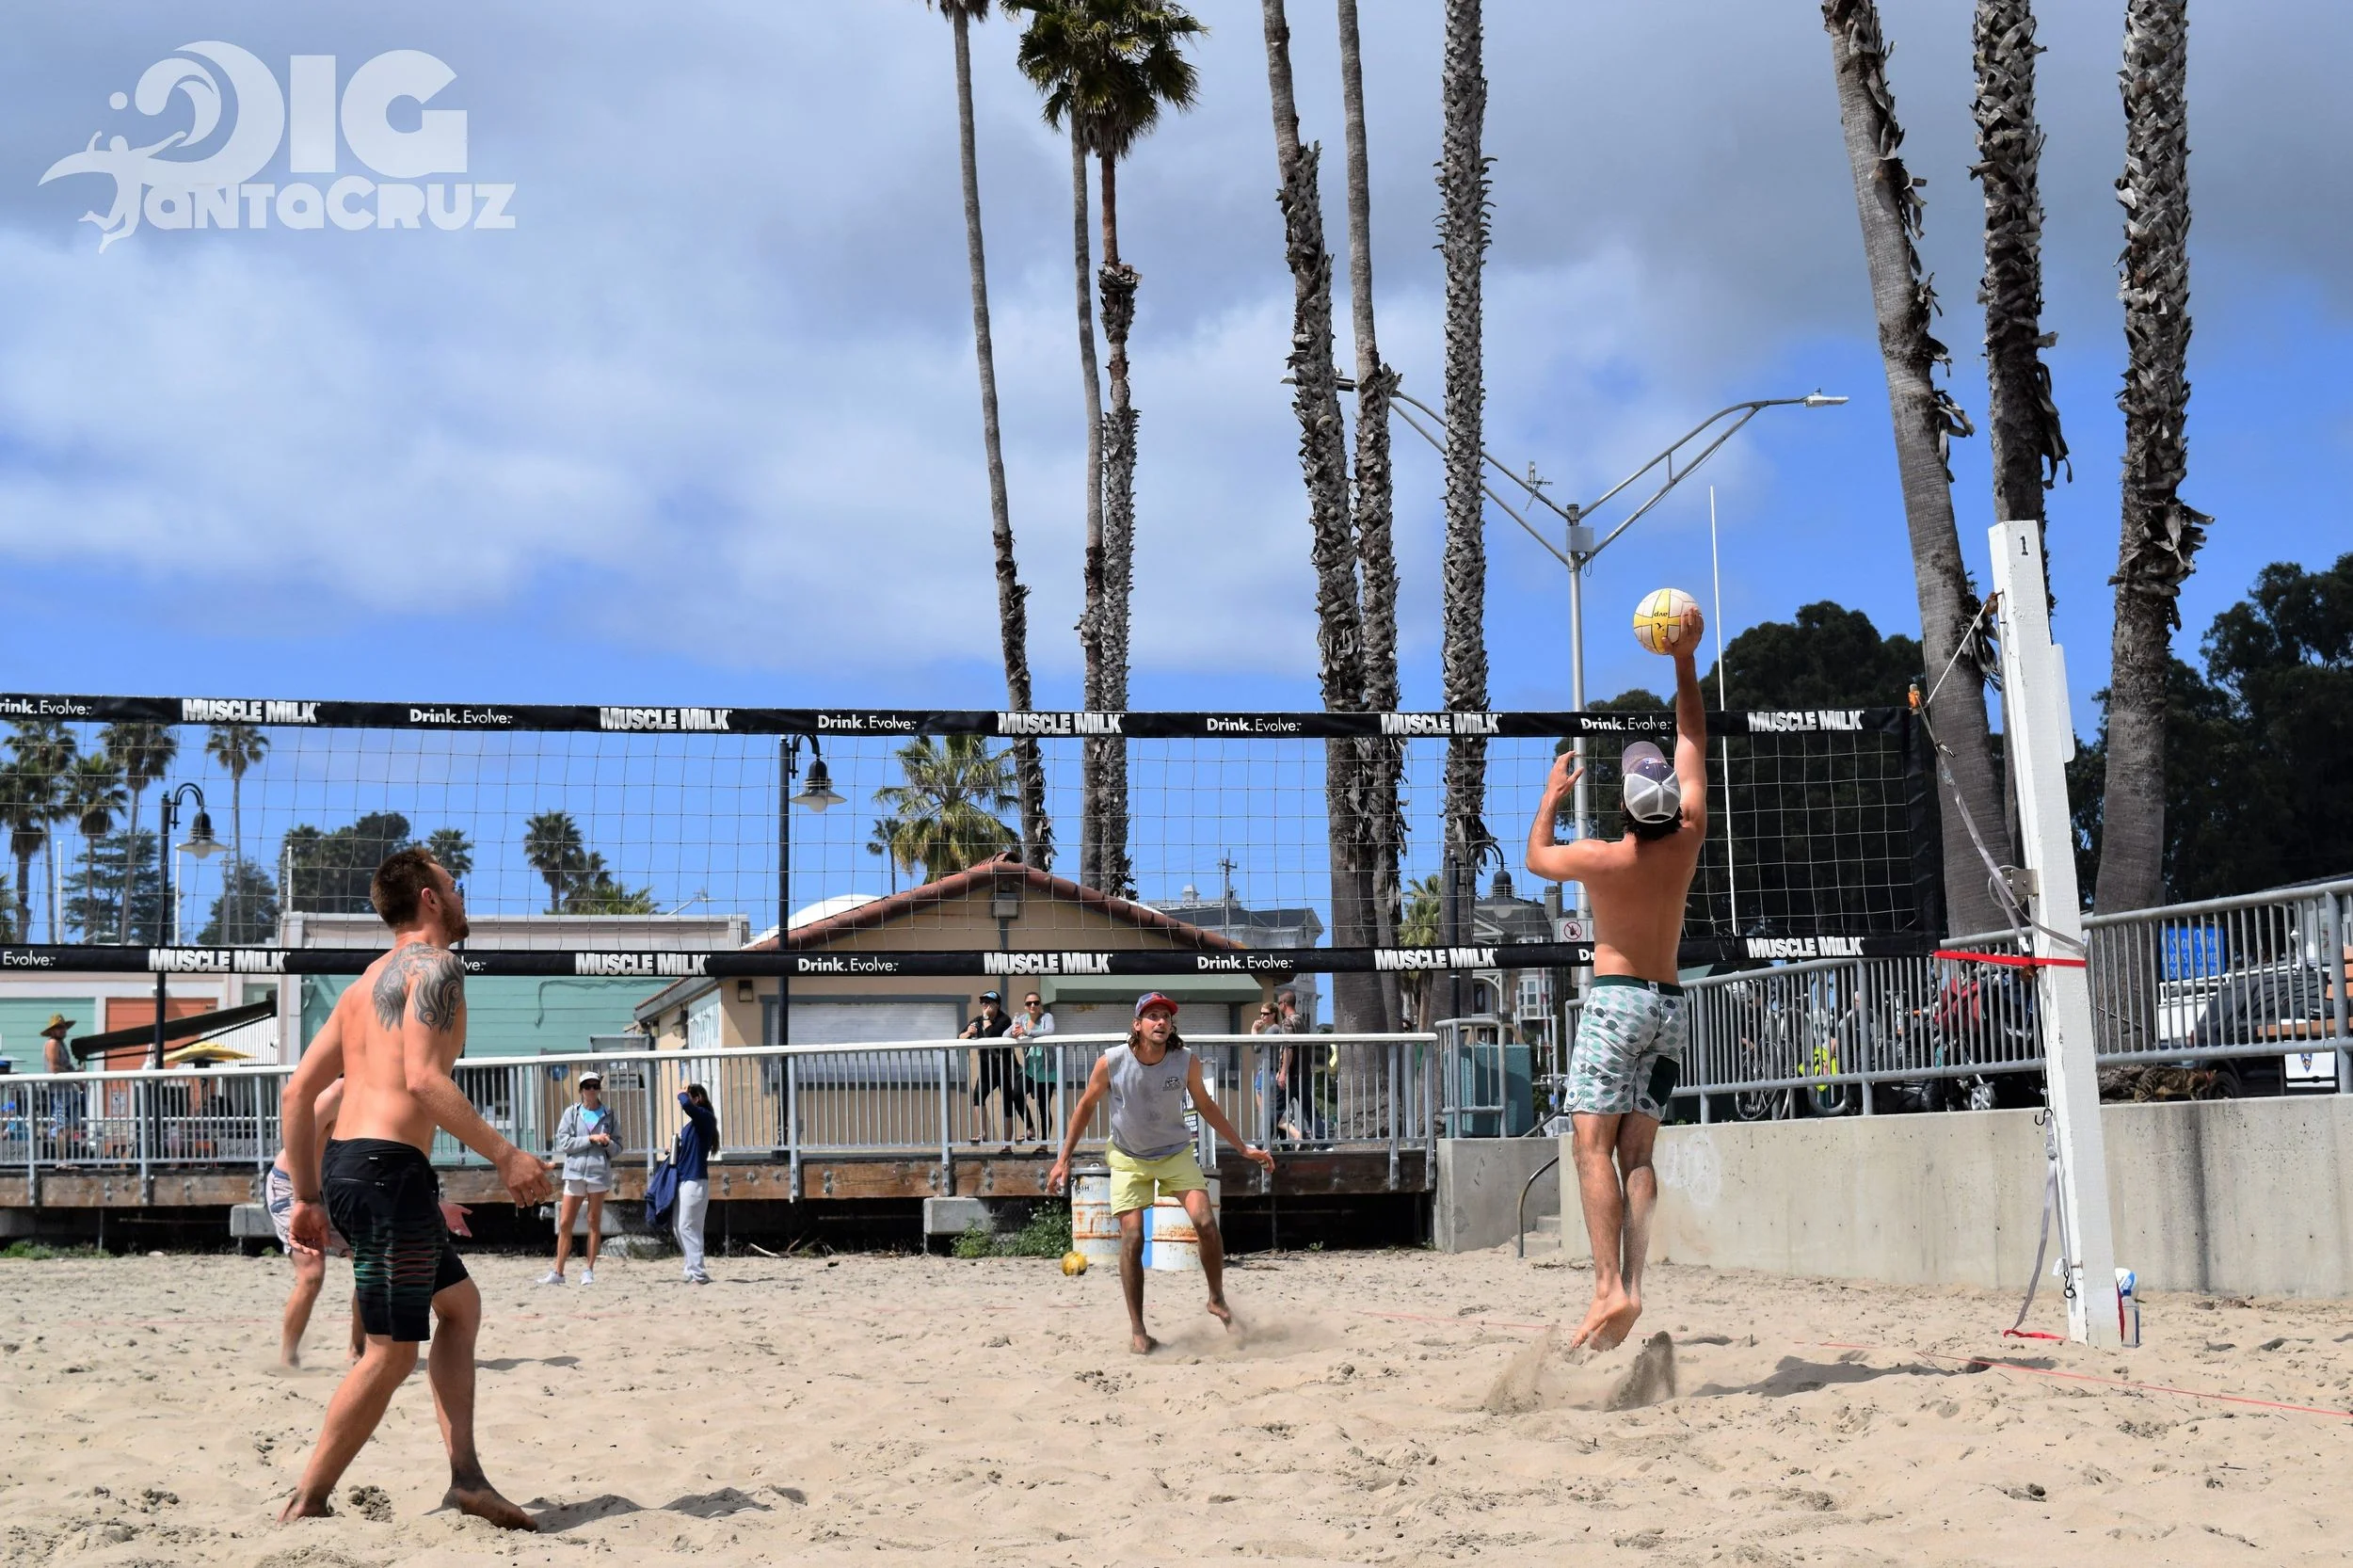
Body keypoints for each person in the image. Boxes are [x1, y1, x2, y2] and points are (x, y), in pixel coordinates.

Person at [277, 847, 553, 1528]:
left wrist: (309, 1195)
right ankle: (305, 1501)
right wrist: (506, 1156)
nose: (463, 898)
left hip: (354, 1166)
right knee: (391, 1353)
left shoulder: (359, 986)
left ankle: (466, 1477)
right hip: (385, 1172)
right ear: (430, 900)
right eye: (455, 887)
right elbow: (425, 1080)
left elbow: (297, 1092)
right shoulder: (437, 969)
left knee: (459, 1309)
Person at [1526, 601, 1706, 1352]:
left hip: (1618, 1002)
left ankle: (1606, 1288)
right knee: (1638, 1155)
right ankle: (1633, 1288)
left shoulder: (1604, 857)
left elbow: (1537, 858)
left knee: (1589, 1147)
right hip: (1670, 1005)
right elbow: (1693, 734)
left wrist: (1549, 802)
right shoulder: (1689, 834)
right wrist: (1685, 659)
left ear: (1627, 809)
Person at [1048, 993, 1274, 1355]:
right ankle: (1139, 1331)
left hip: (1175, 1153)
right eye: (1152, 1016)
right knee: (1133, 1239)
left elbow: (1206, 1105)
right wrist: (1063, 1160)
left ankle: (1216, 1299)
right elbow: (1085, 1107)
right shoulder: (1112, 1061)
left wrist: (1243, 1147)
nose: (1160, 1022)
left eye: (1165, 1017)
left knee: (1205, 1223)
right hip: (1128, 1157)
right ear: (1137, 1025)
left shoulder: (1184, 1061)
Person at [541, 1073, 617, 1286]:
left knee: (594, 1221)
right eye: (587, 1086)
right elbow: (565, 1143)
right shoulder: (571, 1113)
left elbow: (618, 1147)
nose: (591, 1090)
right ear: (581, 1089)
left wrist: (606, 1144)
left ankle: (589, 1270)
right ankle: (558, 1271)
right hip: (574, 1172)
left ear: (599, 1089)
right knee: (566, 1222)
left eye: (595, 1086)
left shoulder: (609, 1114)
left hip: (597, 1172)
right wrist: (590, 1139)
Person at [959, 991, 1030, 1148]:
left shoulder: (1004, 1020)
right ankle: (983, 1133)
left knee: (1007, 1104)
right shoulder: (978, 1021)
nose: (985, 1005)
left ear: (997, 1004)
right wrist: (968, 1033)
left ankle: (1006, 1145)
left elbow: (992, 1035)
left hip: (1005, 1068)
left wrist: (985, 1018)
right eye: (983, 1002)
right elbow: (959, 1037)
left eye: (988, 1002)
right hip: (987, 1068)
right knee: (978, 1095)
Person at [673, 1082, 718, 1285]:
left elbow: (687, 1106)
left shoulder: (704, 1118)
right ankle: (691, 1268)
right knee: (679, 1226)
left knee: (687, 1226)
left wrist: (682, 1094)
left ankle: (698, 1272)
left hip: (695, 1180)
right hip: (684, 1178)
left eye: (689, 1095)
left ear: (697, 1098)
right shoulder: (692, 1126)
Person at [1008, 991, 1056, 1149]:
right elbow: (1005, 1034)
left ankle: (1044, 1144)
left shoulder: (1046, 1017)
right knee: (1016, 1094)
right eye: (1029, 1003)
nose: (1033, 1006)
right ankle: (1030, 1128)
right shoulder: (1021, 1019)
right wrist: (1014, 1032)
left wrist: (1027, 1032)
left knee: (1043, 1107)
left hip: (1046, 1070)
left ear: (1040, 1005)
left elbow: (1049, 1031)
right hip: (1029, 1069)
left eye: (1036, 1003)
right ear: (1025, 1006)